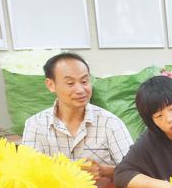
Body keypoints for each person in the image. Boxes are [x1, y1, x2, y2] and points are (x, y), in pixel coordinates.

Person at [22, 52, 132, 180]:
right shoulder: (35, 125)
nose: (80, 90)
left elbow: (135, 170)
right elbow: (28, 172)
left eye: (84, 81)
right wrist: (64, 170)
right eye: (70, 83)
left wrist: (104, 171)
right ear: (51, 85)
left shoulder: (110, 122)